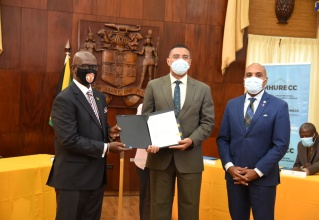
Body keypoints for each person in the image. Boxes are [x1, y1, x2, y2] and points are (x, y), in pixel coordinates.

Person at [47, 50, 130, 220]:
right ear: (74, 69)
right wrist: (107, 147)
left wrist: (109, 132)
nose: (90, 70)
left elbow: (94, 127)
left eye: (94, 66)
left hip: (96, 178)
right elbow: (69, 140)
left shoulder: (99, 97)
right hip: (73, 179)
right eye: (85, 66)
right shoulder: (65, 99)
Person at [142, 44, 215, 220]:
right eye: (175, 56)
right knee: (158, 207)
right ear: (168, 61)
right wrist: (148, 142)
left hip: (190, 158)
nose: (180, 60)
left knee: (190, 208)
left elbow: (208, 122)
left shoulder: (203, 89)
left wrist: (191, 140)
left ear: (190, 62)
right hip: (160, 158)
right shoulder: (153, 85)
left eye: (184, 57)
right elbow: (145, 119)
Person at [217, 63, 290, 220]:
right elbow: (223, 139)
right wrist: (229, 167)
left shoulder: (279, 106)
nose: (253, 78)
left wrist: (257, 171)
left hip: (263, 178)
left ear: (265, 80)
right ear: (244, 79)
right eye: (249, 75)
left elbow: (281, 145)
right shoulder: (232, 104)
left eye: (258, 75)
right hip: (235, 177)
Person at [134, 103, 150, 220]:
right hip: (144, 161)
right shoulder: (143, 106)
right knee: (146, 196)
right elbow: (139, 130)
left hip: (166, 161)